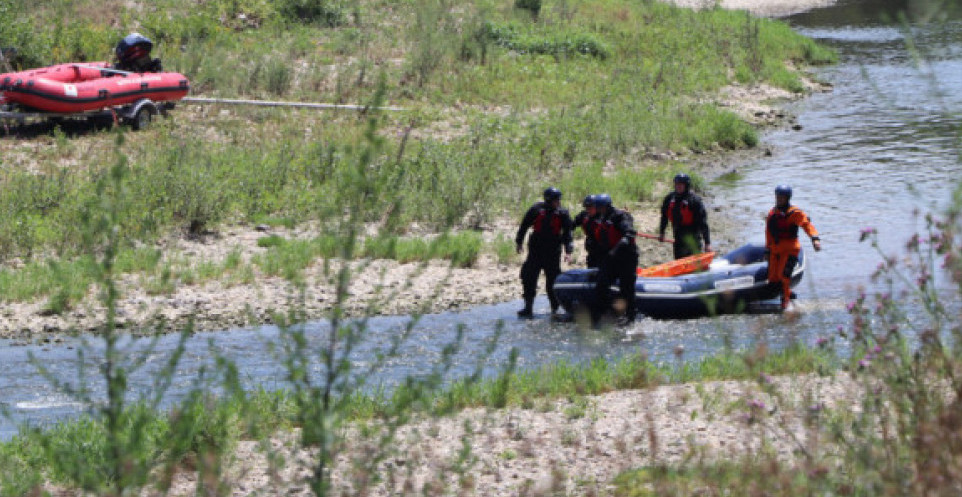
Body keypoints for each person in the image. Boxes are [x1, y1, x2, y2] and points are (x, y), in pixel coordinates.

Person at [515, 187, 574, 318]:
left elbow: (568, 233)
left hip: (553, 251)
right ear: (548, 200)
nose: (558, 202)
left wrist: (568, 251)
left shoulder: (562, 213)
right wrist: (519, 242)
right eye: (556, 200)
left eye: (559, 199)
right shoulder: (536, 209)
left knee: (553, 281)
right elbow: (524, 226)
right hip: (535, 251)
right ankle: (528, 307)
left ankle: (555, 309)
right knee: (529, 278)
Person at [765, 184, 821, 310]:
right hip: (775, 249)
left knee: (783, 276)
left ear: (787, 198)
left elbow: (807, 225)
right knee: (773, 277)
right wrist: (767, 249)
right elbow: (768, 233)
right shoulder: (772, 213)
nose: (779, 199)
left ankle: (786, 301)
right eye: (778, 197)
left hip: (790, 249)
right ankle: (788, 294)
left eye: (782, 197)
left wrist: (815, 239)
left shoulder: (795, 213)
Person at [592, 194, 639, 324]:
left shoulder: (620, 216)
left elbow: (628, 234)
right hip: (611, 258)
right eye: (597, 207)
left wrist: (615, 250)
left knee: (627, 288)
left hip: (626, 257)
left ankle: (630, 317)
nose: (598, 209)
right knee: (601, 283)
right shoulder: (601, 217)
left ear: (606, 206)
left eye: (600, 207)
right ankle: (603, 313)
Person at [658, 173, 712, 259]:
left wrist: (707, 243)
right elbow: (664, 217)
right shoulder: (669, 198)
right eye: (676, 184)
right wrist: (662, 232)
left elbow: (703, 223)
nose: (678, 187)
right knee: (679, 261)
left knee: (695, 264)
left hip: (693, 238)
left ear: (686, 185)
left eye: (681, 185)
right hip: (678, 237)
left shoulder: (694, 200)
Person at [573, 194, 603, 268]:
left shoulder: (605, 216)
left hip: (604, 251)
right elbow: (572, 225)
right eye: (586, 207)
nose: (588, 209)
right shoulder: (584, 215)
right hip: (591, 250)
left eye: (590, 207)